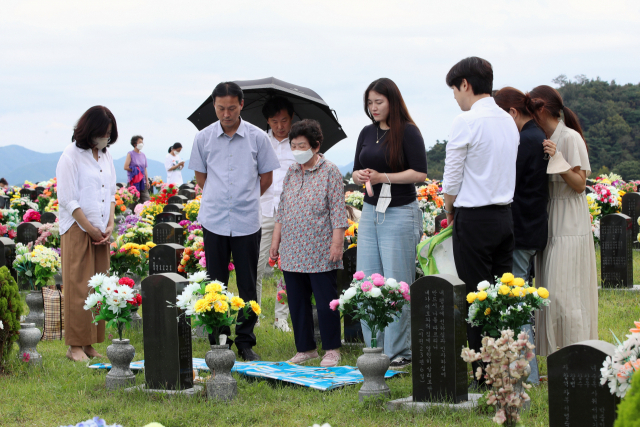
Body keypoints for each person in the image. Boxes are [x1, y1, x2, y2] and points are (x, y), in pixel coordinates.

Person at [188, 81, 279, 361]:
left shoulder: (257, 138)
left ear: (241, 105)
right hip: (214, 218)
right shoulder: (203, 138)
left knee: (249, 282)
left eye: (231, 108)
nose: (225, 114)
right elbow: (200, 177)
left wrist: (245, 197)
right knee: (216, 282)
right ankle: (219, 337)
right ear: (213, 107)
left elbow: (267, 177)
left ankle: (245, 340)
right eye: (219, 108)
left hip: (246, 219)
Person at [442, 57, 519, 388]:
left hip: (474, 218)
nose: (456, 97)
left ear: (465, 84)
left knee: (476, 296)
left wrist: (448, 208)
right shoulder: (507, 119)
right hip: (505, 216)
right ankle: (504, 366)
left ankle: (482, 374)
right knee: (502, 296)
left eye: (454, 90)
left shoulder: (467, 120)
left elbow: (452, 177)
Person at [351, 78, 427, 368]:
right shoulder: (367, 132)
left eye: (378, 102)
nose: (373, 108)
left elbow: (420, 173)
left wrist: (385, 177)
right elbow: (359, 167)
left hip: (400, 211)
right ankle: (374, 349)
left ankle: (399, 352)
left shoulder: (408, 132)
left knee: (396, 283)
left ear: (392, 102)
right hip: (370, 211)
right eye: (369, 103)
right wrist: (359, 176)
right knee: (368, 280)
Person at [269, 119, 348, 367]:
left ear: (315, 146)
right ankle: (305, 349)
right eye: (293, 145)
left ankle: (332, 349)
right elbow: (282, 209)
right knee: (297, 302)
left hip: (320, 248)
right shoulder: (292, 172)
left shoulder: (330, 171)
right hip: (292, 248)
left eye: (301, 145)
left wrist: (337, 245)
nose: (296, 150)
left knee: (325, 304)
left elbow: (338, 212)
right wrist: (276, 240)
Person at [493, 86, 557, 385]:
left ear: (512, 113)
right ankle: (525, 371)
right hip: (530, 228)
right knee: (519, 299)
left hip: (521, 229)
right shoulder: (535, 136)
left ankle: (527, 375)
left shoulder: (525, 140)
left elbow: (511, 185)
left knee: (516, 302)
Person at [529, 85, 598, 356]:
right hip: (549, 216)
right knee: (549, 289)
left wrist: (558, 159)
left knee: (567, 290)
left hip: (570, 216)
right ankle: (556, 354)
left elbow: (580, 184)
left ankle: (577, 352)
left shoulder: (569, 138)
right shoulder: (541, 137)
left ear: (542, 109)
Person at [56, 106, 117, 362]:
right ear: (89, 131)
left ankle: (90, 341)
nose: (106, 137)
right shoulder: (70, 156)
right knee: (79, 286)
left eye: (109, 133)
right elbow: (68, 199)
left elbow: (111, 193)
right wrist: (90, 228)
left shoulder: (105, 156)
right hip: (78, 229)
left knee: (99, 286)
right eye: (102, 133)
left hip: (101, 231)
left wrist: (110, 223)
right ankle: (75, 345)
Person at [256, 96, 295, 332]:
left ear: (291, 119)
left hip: (291, 213)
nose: (280, 126)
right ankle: (254, 315)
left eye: (284, 120)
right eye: (274, 121)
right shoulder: (259, 141)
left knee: (288, 267)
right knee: (256, 266)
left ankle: (281, 317)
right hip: (263, 210)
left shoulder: (299, 143)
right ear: (267, 121)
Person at [123, 135, 150, 202]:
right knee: (133, 201)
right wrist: (136, 170)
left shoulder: (143, 155)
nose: (142, 144)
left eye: (142, 142)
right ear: (135, 144)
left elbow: (145, 169)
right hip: (133, 181)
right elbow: (126, 167)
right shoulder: (130, 154)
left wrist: (147, 181)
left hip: (142, 181)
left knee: (147, 200)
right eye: (140, 142)